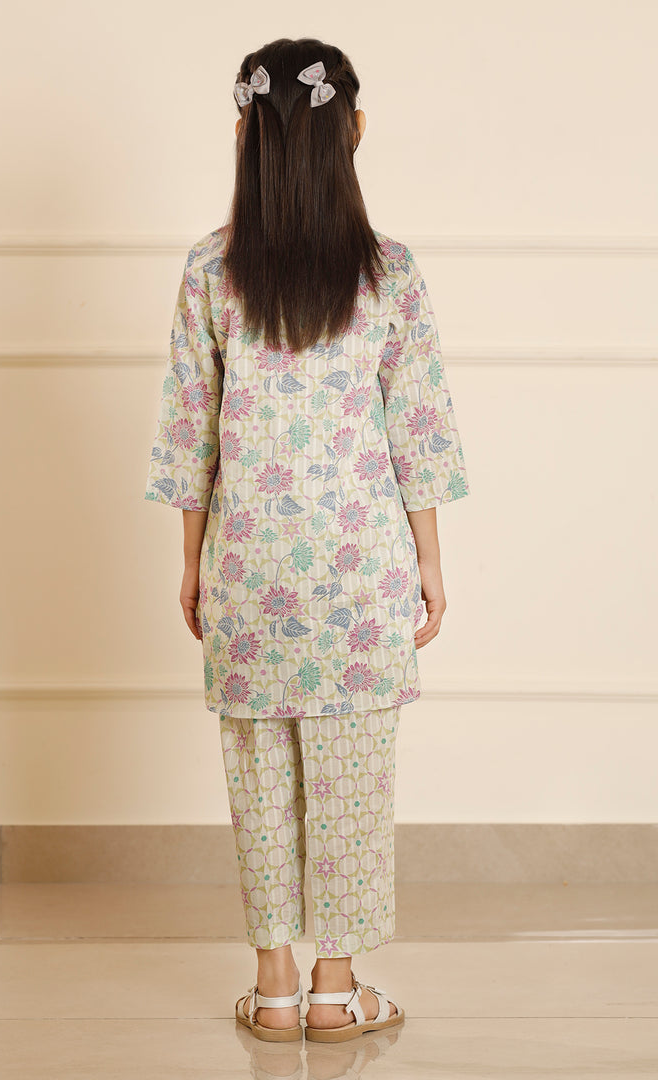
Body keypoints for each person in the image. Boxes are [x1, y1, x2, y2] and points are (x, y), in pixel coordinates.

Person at [145, 37, 471, 1044]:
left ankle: (275, 985)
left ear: (246, 135)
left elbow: (190, 433)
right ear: (353, 131)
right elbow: (418, 428)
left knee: (259, 783)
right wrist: (428, 561)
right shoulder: (389, 273)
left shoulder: (210, 269)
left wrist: (193, 564)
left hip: (249, 572)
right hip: (359, 575)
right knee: (351, 785)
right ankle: (338, 989)